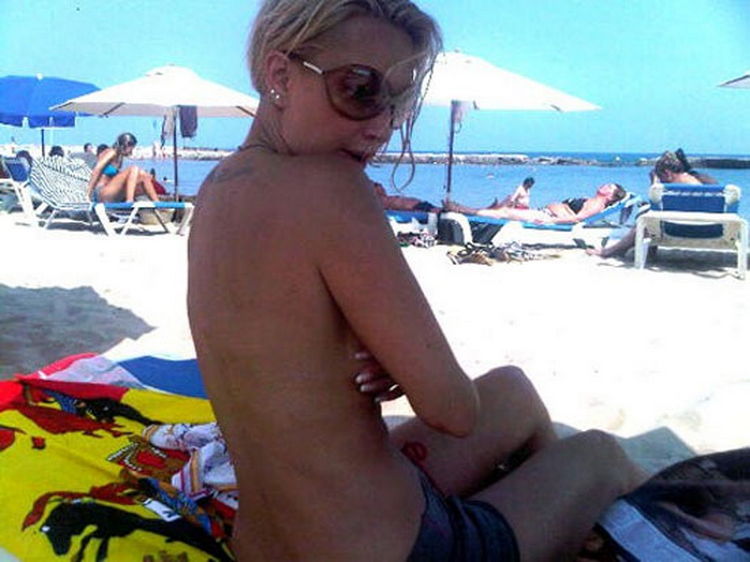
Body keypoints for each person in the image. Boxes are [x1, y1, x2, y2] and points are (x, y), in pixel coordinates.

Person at [187, 1, 645, 561]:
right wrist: (400, 367)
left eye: (398, 102)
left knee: (514, 390)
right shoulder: (332, 187)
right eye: (360, 90)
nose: (381, 125)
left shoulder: (218, 186)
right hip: (398, 548)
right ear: (281, 75)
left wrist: (376, 354)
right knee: (601, 455)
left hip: (264, 546)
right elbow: (453, 410)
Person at [587, 150, 718, 258]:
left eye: (661, 177)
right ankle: (645, 251)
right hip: (711, 230)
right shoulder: (704, 183)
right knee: (649, 216)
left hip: (678, 230)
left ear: (667, 173)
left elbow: (655, 208)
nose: (662, 181)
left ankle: (612, 251)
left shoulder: (672, 191)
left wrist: (654, 184)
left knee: (646, 219)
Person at [445, 182, 627, 224]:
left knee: (504, 212)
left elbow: (577, 219)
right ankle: (462, 209)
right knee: (504, 208)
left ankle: (461, 209)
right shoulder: (592, 200)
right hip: (545, 212)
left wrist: (551, 220)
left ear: (610, 196)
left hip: (546, 216)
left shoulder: (596, 205)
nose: (605, 185)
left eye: (609, 187)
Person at [87, 132, 159, 203]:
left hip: (112, 191)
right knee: (134, 169)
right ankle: (129, 201)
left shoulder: (120, 157)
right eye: (131, 149)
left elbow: (117, 178)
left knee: (143, 175)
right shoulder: (111, 153)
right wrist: (88, 194)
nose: (131, 152)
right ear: (125, 145)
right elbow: (97, 170)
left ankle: (158, 204)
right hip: (102, 192)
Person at [373, 181, 439, 212]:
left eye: (382, 187)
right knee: (436, 210)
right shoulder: (381, 201)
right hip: (415, 207)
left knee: (436, 209)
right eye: (380, 187)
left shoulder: (387, 198)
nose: (383, 189)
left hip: (419, 204)